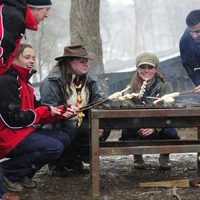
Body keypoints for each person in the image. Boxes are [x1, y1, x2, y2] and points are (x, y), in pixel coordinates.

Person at [0, 43, 79, 193]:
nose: (31, 61)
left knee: (63, 137)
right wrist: (45, 112)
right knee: (53, 147)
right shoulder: (6, 81)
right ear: (14, 59)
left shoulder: (26, 83)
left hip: (22, 132)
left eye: (33, 58)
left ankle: (22, 174)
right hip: (7, 135)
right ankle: (6, 172)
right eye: (27, 57)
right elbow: (13, 119)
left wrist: (61, 111)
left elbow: (37, 109)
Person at [40, 44, 110, 176]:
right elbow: (49, 111)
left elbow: (96, 102)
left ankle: (77, 158)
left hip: (80, 119)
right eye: (82, 61)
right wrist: (64, 113)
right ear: (69, 62)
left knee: (103, 126)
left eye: (87, 62)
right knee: (70, 129)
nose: (86, 65)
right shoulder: (52, 82)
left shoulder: (89, 80)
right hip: (58, 121)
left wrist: (98, 122)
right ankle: (58, 163)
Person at [120, 52, 180, 170]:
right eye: (142, 67)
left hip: (159, 126)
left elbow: (169, 108)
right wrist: (139, 127)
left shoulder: (164, 86)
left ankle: (164, 155)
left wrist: (154, 128)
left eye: (150, 67)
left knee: (170, 131)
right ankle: (137, 156)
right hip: (138, 126)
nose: (146, 71)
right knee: (126, 130)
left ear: (155, 69)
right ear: (137, 69)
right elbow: (126, 107)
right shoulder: (130, 88)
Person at [0, 0, 52, 75]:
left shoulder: (14, 14)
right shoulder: (13, 17)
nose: (47, 15)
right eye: (47, 9)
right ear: (37, 8)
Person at [179, 9, 200, 88]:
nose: (194, 36)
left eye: (198, 31)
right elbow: (189, 66)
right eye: (191, 31)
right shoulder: (185, 41)